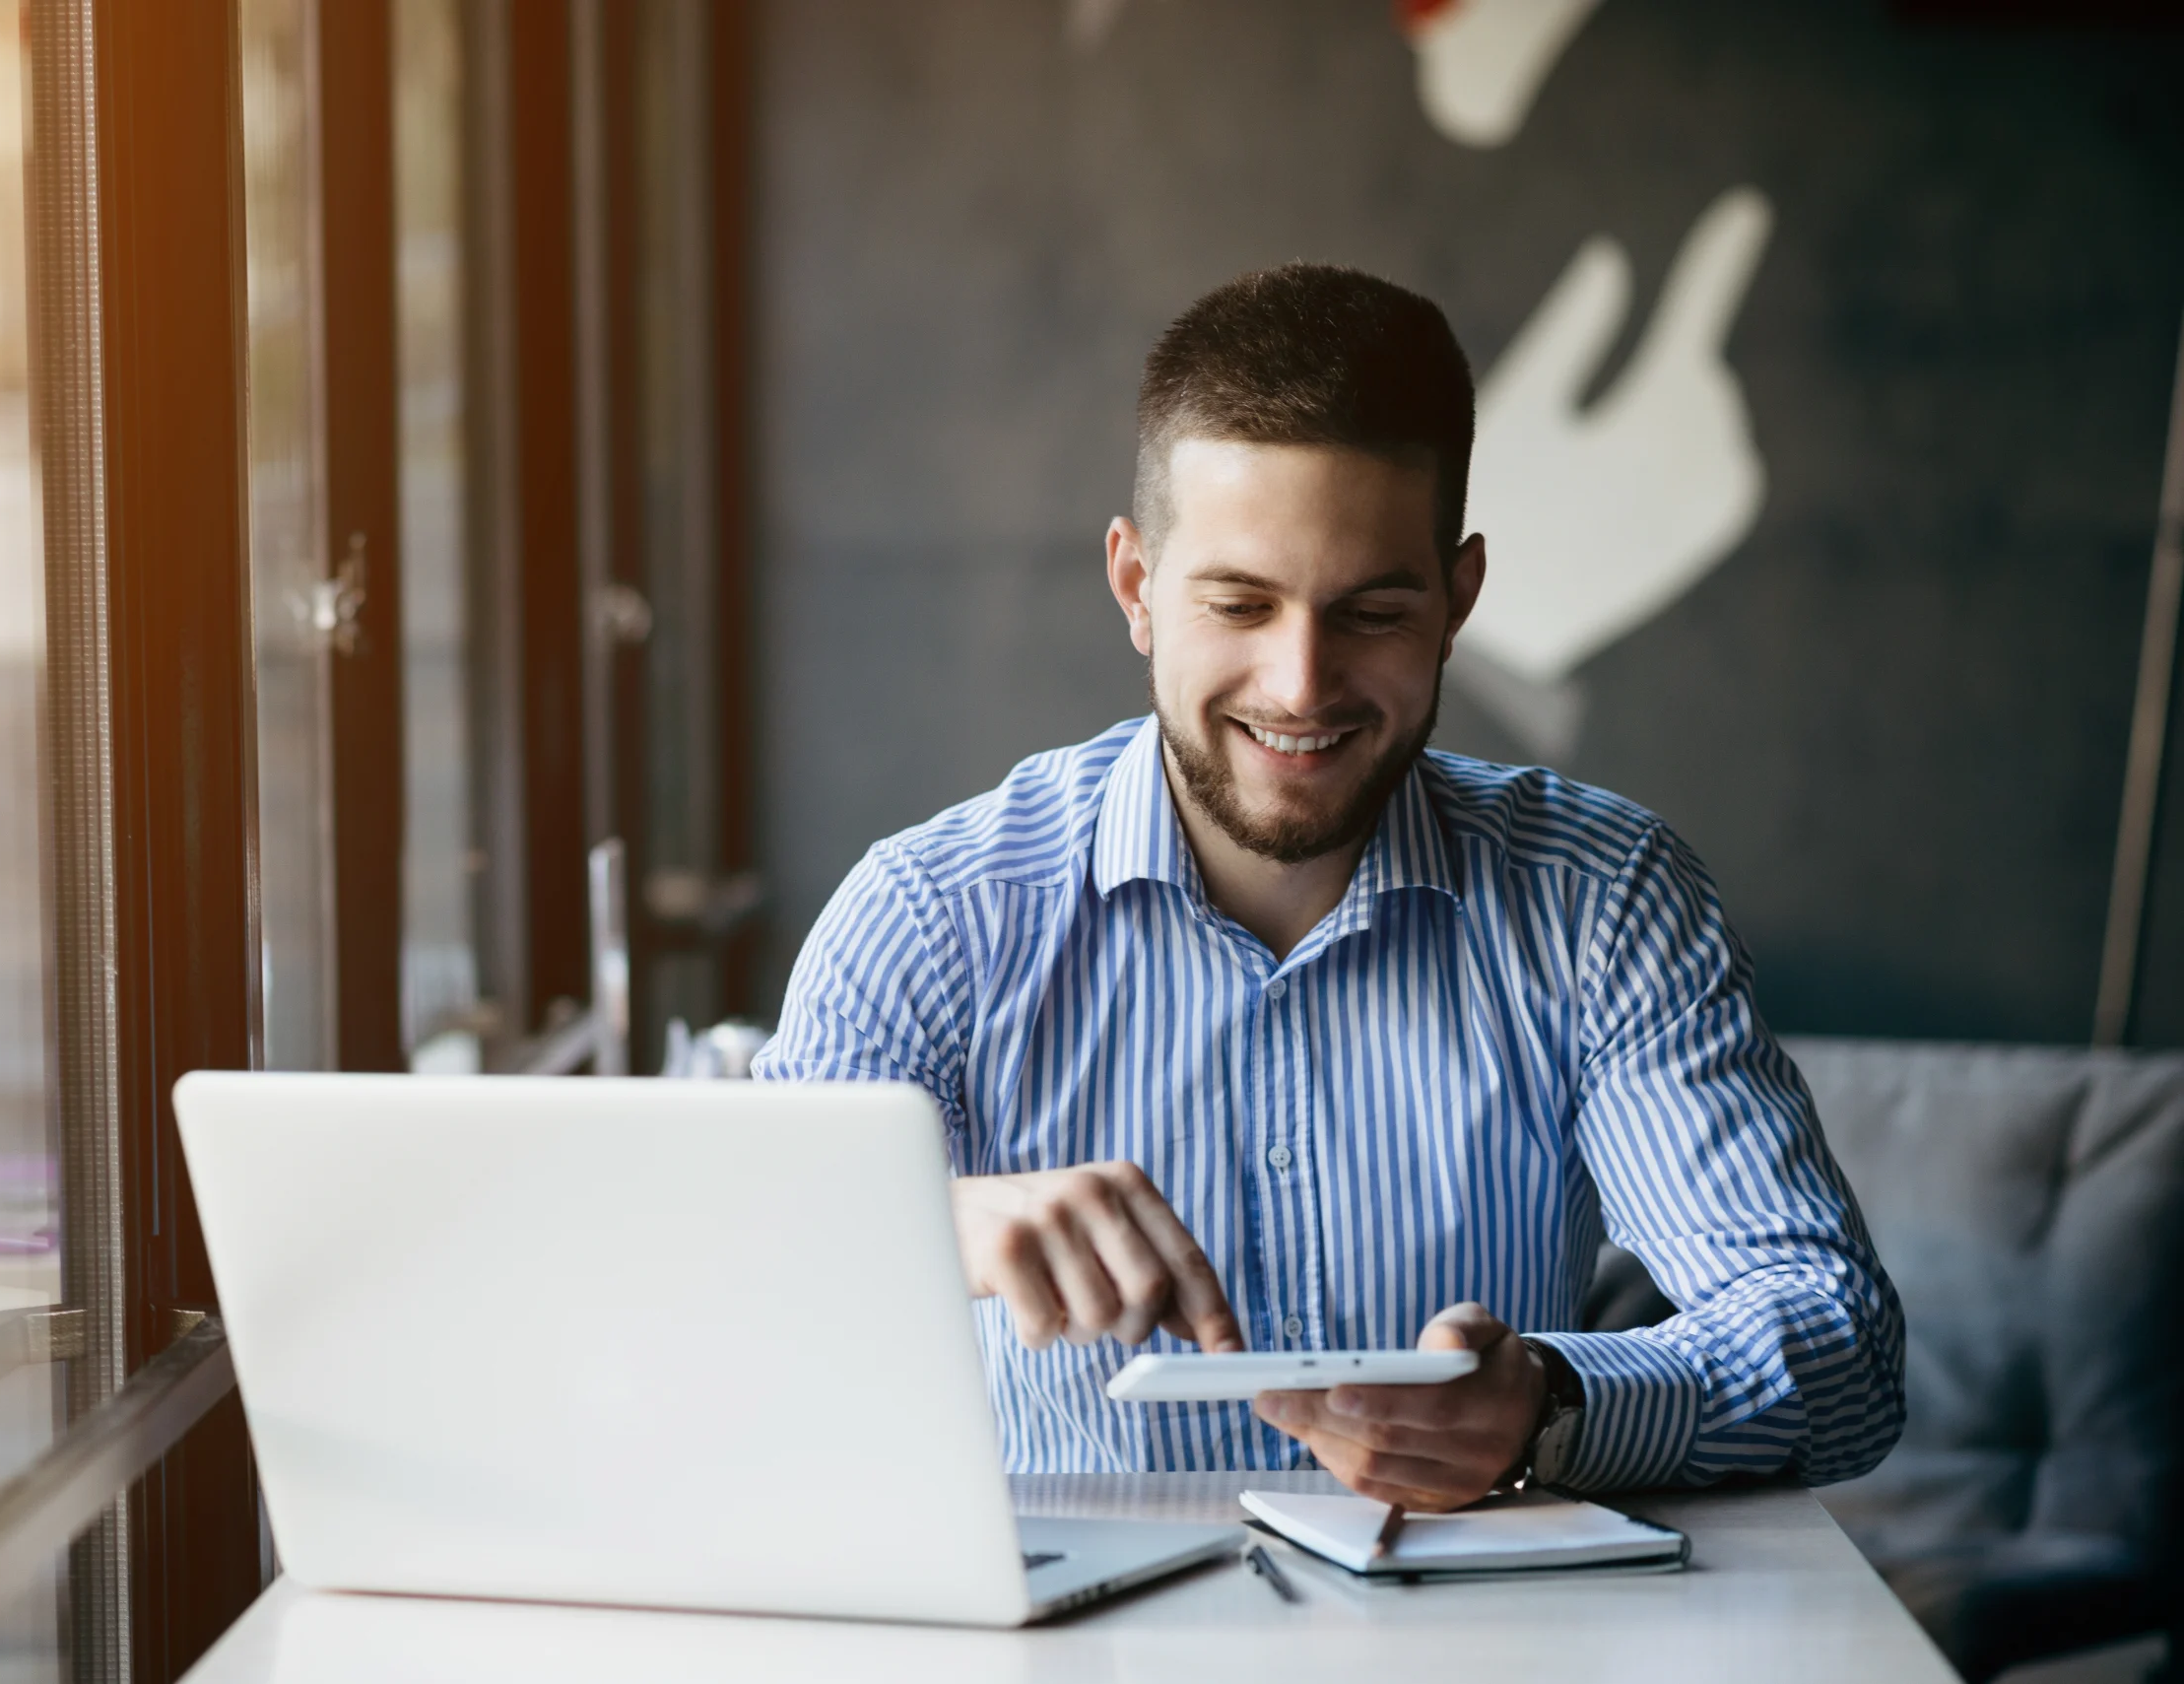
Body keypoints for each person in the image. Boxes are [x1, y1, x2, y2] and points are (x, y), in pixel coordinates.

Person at [754, 264, 1902, 1511]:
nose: (1300, 684)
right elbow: (728, 1288)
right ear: (1137, 588)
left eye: (1370, 610)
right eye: (1239, 603)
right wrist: (939, 1223)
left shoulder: (1601, 900)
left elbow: (1840, 1349)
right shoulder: (930, 914)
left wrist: (1549, 1409)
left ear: (1458, 599)